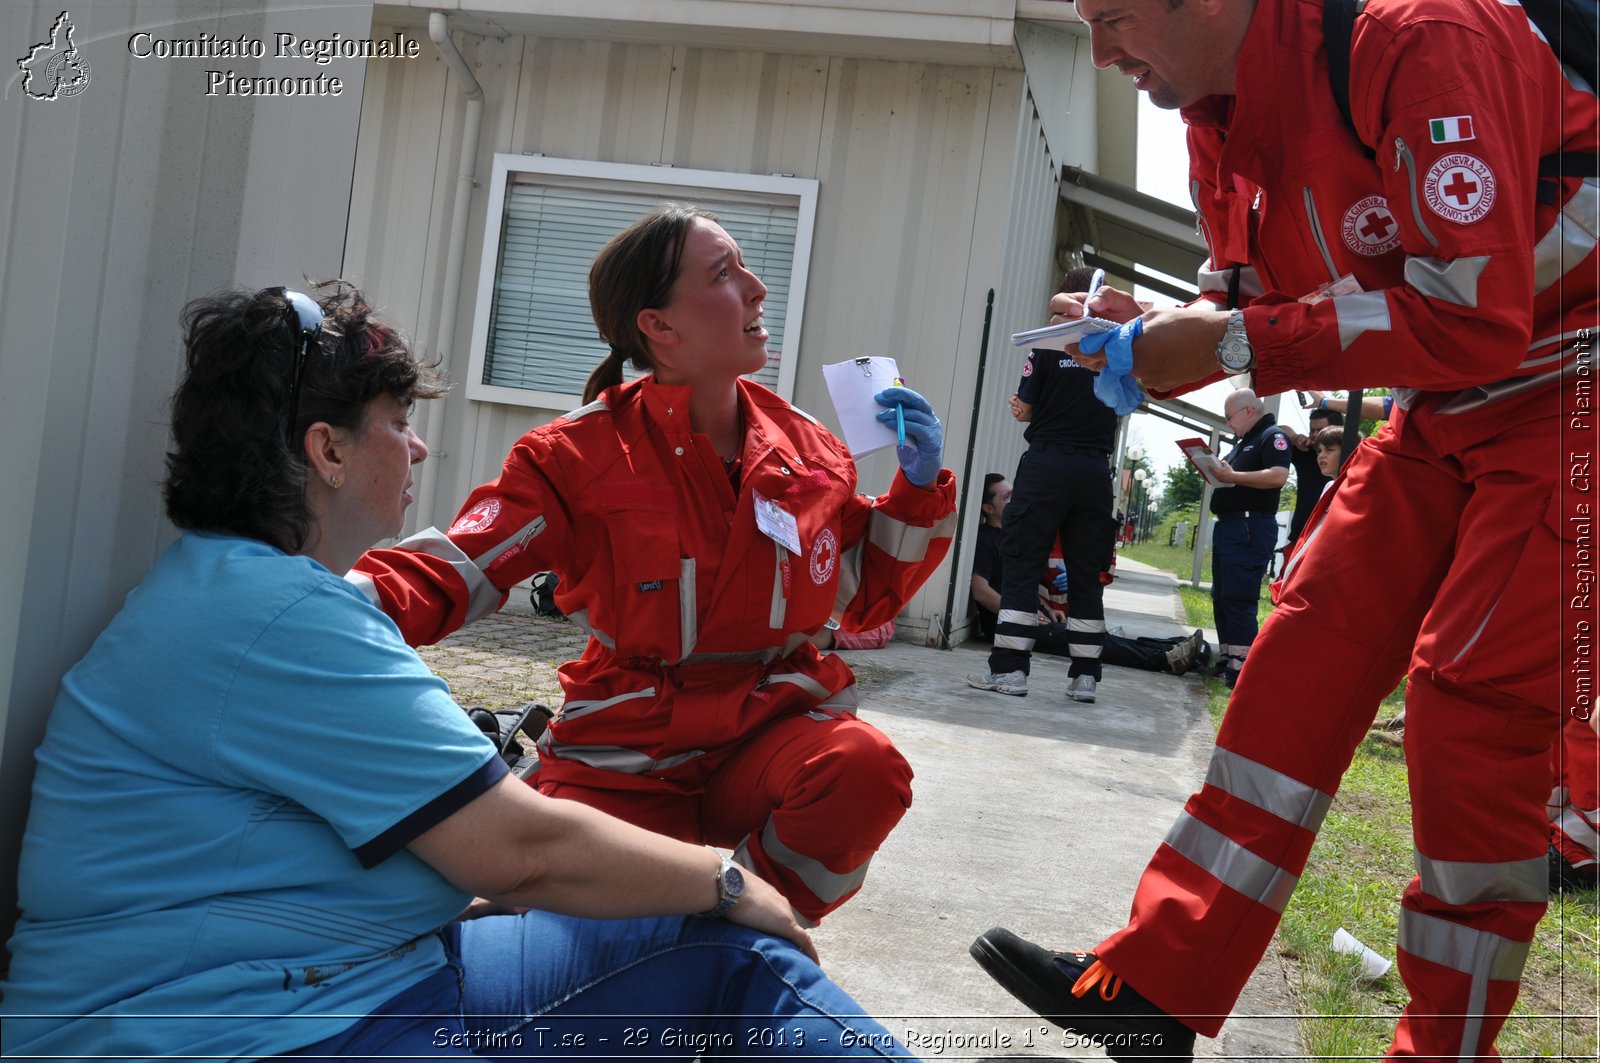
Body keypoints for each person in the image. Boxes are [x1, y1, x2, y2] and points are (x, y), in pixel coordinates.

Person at [0, 284, 916, 1061]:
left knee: (717, 944)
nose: (420, 448)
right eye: (399, 424)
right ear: (327, 451)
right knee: (737, 957)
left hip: (328, 980)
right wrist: (730, 880)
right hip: (240, 1028)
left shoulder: (238, 594)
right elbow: (521, 850)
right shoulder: (279, 618)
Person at [969, 0, 1597, 1058]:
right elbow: (1274, 286)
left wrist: (1229, 344)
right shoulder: (1213, 110)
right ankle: (1156, 987)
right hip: (1447, 401)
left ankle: (1444, 1046)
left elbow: (1472, 313)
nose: (1100, 50)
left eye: (1113, 16)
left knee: (1470, 715)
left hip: (1569, 383)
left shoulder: (1420, 37)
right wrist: (1153, 328)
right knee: (1299, 654)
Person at [350, 205, 957, 926]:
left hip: (768, 729)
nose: (759, 288)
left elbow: (862, 594)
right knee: (536, 932)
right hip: (625, 748)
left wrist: (918, 490)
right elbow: (460, 564)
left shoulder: (806, 447)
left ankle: (740, 933)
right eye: (725, 273)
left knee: (863, 769)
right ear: (660, 328)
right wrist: (337, 604)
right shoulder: (576, 455)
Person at [967, 267, 1119, 703]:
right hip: (1094, 470)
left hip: (1047, 463)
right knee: (1086, 573)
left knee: (1022, 562)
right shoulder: (1119, 346)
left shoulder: (1050, 343)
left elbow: (1026, 407)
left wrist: (1024, 409)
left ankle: (1011, 671)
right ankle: (1085, 677)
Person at [969, 473, 1208, 676]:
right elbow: (980, 591)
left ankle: (1173, 647)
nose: (1016, 498)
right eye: (1007, 496)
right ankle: (1165, 660)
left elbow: (1019, 585)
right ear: (988, 508)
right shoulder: (985, 539)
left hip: (1034, 617)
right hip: (1013, 626)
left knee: (1095, 635)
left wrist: (1043, 607)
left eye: (1014, 492)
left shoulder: (1016, 535)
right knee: (1088, 641)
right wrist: (1024, 614)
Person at [1206, 388, 1291, 686]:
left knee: (1239, 596)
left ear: (1248, 411)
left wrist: (1233, 477)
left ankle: (1242, 666)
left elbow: (1279, 476)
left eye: (1230, 417)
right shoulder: (1244, 442)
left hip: (1249, 527)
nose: (1229, 423)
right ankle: (1229, 656)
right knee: (1222, 595)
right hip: (1231, 526)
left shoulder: (1271, 436)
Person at [1285, 406, 1342, 546]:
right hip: (1300, 536)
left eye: (1330, 450)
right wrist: (1295, 437)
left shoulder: (1355, 459)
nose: (1314, 434)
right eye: (1312, 430)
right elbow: (1278, 430)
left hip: (1330, 539)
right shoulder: (1305, 451)